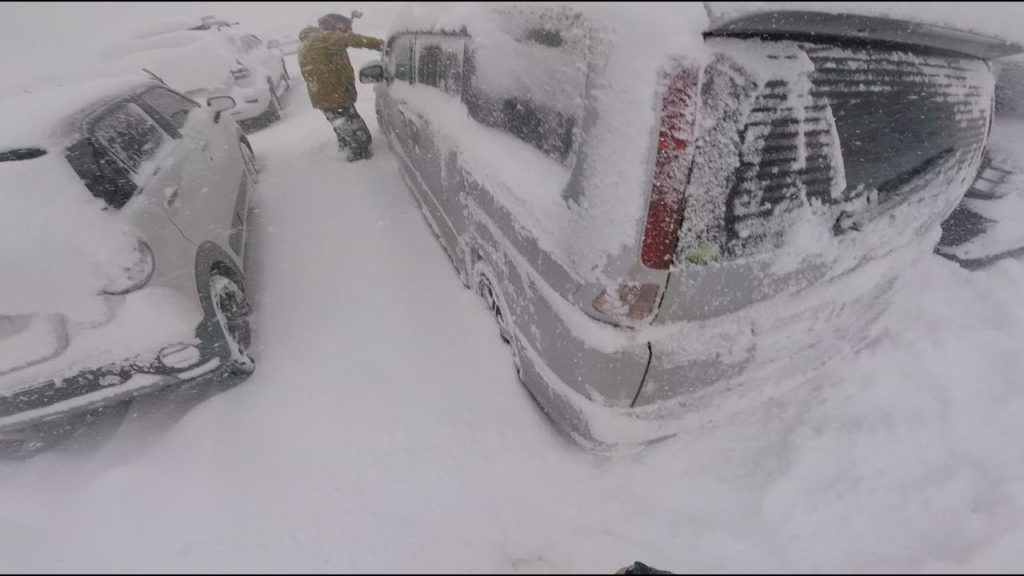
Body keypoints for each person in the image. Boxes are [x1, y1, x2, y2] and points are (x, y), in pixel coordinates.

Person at [298, 13, 384, 161]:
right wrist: (382, 44)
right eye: (345, 29)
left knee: (344, 128)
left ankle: (347, 150)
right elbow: (353, 40)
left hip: (328, 97)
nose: (347, 32)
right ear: (335, 26)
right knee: (359, 136)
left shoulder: (312, 40)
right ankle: (360, 161)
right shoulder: (323, 38)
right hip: (334, 97)